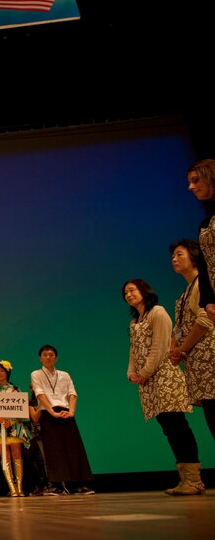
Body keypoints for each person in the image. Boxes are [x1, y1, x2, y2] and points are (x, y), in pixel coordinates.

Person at [123, 278, 204, 495]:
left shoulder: (158, 312)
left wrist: (144, 373)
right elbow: (134, 350)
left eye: (132, 290)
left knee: (177, 427)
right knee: (169, 429)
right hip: (148, 382)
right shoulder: (135, 322)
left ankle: (194, 480)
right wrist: (131, 372)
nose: (128, 295)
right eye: (126, 293)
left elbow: (160, 347)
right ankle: (185, 479)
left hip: (164, 378)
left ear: (144, 291)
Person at [167, 240, 215, 442]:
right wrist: (175, 348)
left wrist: (182, 349)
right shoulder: (186, 292)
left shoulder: (202, 286)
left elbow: (205, 320)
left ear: (194, 256)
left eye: (179, 254)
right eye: (173, 256)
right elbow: (180, 328)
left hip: (210, 362)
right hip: (199, 368)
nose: (174, 259)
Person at [30, 345, 95, 495]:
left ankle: (79, 485)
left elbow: (72, 394)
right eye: (45, 355)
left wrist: (71, 411)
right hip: (48, 413)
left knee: (74, 449)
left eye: (51, 354)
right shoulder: (36, 374)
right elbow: (40, 394)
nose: (48, 357)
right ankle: (56, 485)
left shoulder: (64, 375)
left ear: (56, 358)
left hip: (66, 413)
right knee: (53, 451)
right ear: (40, 358)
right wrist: (52, 412)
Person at [0, 361, 31, 497]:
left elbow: (22, 409)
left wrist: (12, 420)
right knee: (4, 456)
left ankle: (20, 487)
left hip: (14, 426)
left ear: (7, 372)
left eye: (2, 371)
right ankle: (11, 487)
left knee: (17, 454)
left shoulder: (15, 389)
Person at [186, 159, 215, 323]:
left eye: (195, 180)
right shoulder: (205, 224)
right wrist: (209, 301)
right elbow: (204, 264)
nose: (190, 187)